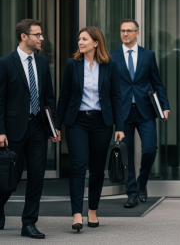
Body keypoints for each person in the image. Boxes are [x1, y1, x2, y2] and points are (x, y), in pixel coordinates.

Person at [55, 27, 124, 232]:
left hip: (101, 122)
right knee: (77, 166)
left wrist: (119, 126)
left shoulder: (110, 65)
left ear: (96, 42)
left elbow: (116, 97)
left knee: (96, 169)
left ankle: (92, 209)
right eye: (79, 39)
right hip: (76, 121)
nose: (80, 42)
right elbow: (64, 97)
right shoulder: (72, 64)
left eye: (84, 39)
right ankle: (77, 213)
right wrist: (56, 125)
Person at [0, 19, 61, 239]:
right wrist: (1, 130)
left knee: (36, 176)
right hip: (13, 128)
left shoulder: (43, 63)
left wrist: (53, 127)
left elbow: (49, 98)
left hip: (37, 127)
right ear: (24, 36)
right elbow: (0, 100)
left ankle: (29, 223)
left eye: (41, 34)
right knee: (11, 178)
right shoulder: (6, 63)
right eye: (38, 34)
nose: (42, 38)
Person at [110, 19, 171, 208]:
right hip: (123, 112)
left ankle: (142, 182)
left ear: (137, 33)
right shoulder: (112, 56)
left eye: (129, 30)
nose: (125, 34)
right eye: (122, 31)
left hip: (145, 110)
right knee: (126, 154)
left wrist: (165, 106)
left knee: (150, 149)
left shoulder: (148, 55)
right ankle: (132, 193)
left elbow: (157, 83)